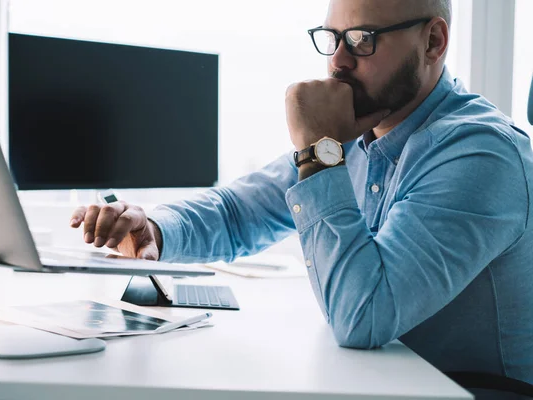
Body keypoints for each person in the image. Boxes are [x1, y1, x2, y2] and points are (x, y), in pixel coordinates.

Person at [70, 0, 533, 384]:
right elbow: (239, 211)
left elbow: (363, 316)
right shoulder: (355, 133)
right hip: (383, 381)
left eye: (362, 40)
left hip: (465, 391)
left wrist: (317, 152)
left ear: (433, 41)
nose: (338, 62)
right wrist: (154, 228)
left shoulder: (481, 154)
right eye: (332, 38)